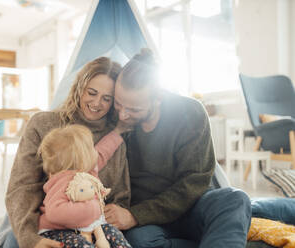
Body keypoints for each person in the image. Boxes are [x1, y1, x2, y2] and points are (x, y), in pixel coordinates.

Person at [103, 49, 252, 248]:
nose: (123, 115)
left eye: (134, 109)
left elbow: (194, 182)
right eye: (119, 104)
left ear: (159, 98)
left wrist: (134, 216)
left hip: (192, 206)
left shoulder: (190, 112)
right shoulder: (116, 120)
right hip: (148, 221)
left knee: (235, 199)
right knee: (139, 242)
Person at [3, 57, 131, 248]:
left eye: (106, 98)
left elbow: (121, 195)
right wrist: (30, 238)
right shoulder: (43, 124)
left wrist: (115, 213)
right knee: (13, 242)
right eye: (92, 93)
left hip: (93, 227)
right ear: (80, 87)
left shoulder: (114, 141)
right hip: (42, 224)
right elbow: (22, 187)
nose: (97, 103)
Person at [37, 124, 131, 248]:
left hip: (90, 226)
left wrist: (117, 133)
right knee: (83, 245)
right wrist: (93, 208)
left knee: (116, 236)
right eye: (91, 148)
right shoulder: (62, 181)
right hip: (59, 231)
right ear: (80, 159)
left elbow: (103, 152)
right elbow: (54, 213)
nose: (95, 151)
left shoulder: (88, 170)